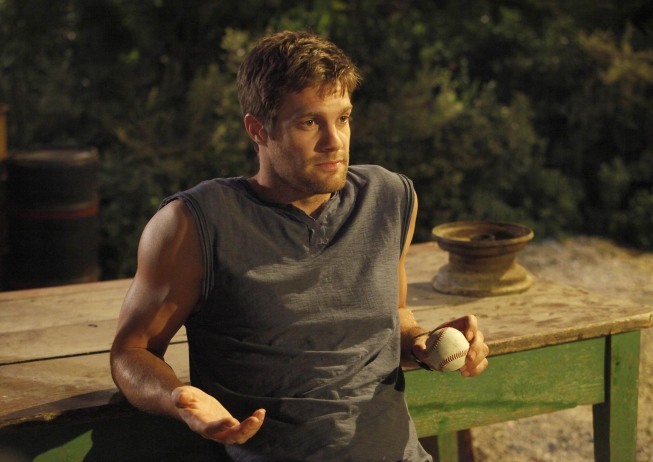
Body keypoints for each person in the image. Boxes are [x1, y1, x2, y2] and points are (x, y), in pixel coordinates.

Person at [110, 30, 489, 461]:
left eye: (343, 118)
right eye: (310, 123)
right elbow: (131, 352)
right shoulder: (193, 224)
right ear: (258, 130)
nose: (335, 141)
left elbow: (393, 315)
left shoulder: (389, 198)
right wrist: (177, 398)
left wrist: (424, 342)